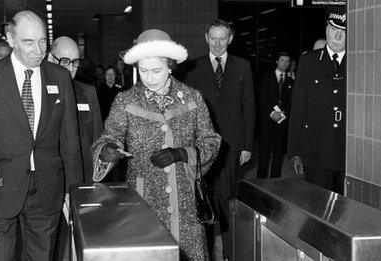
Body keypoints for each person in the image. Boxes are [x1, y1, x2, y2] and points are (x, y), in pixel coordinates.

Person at [0, 10, 82, 261]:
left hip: (47, 192)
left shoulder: (60, 77)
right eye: (28, 42)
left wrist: (74, 193)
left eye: (42, 42)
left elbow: (70, 141)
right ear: (11, 40)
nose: (38, 50)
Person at [92, 29, 221, 260]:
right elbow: (108, 136)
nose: (149, 78)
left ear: (170, 66)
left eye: (156, 71)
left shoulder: (192, 98)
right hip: (144, 200)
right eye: (143, 71)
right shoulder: (125, 101)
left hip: (185, 202)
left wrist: (183, 153)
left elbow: (211, 141)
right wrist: (107, 150)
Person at [185, 19, 255, 260]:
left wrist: (247, 145)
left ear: (230, 39)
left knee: (227, 200)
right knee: (202, 199)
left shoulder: (243, 66)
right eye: (213, 38)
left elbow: (250, 107)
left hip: (232, 146)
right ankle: (203, 252)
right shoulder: (193, 67)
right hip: (201, 146)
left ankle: (229, 253)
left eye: (222, 38)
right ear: (206, 38)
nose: (217, 43)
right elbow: (188, 109)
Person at [287, 10, 346, 195]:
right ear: (326, 29)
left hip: (349, 152)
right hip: (316, 150)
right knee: (318, 208)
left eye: (344, 32)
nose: (337, 36)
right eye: (333, 28)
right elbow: (298, 109)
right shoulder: (308, 62)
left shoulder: (359, 62)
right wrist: (294, 152)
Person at [48, 36, 103, 182]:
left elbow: (97, 140)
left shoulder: (89, 93)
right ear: (50, 58)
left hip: (81, 178)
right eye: (65, 61)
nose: (71, 68)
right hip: (46, 181)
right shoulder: (36, 90)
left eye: (75, 62)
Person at [257, 51, 294, 179]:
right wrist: (272, 112)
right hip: (268, 120)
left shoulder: (291, 81)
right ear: (277, 61)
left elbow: (291, 102)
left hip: (282, 121)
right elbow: (262, 98)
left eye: (287, 61)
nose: (285, 63)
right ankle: (261, 179)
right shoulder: (266, 78)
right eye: (282, 60)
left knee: (278, 152)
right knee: (264, 152)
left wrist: (283, 114)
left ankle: (275, 180)